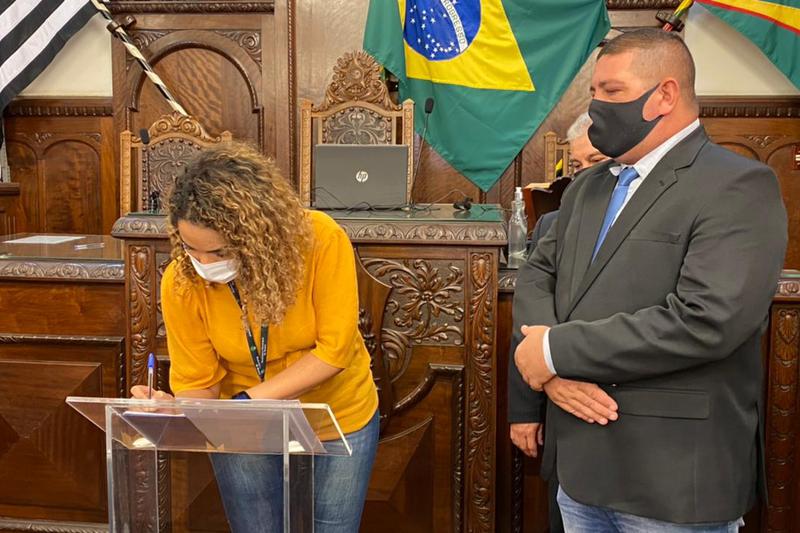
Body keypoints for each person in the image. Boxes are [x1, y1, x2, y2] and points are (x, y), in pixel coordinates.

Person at [509, 28, 787, 532]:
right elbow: (537, 277)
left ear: (665, 95)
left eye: (611, 91)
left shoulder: (737, 185)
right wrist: (550, 372)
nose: (596, 106)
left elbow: (707, 320)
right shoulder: (588, 187)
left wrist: (554, 353)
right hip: (581, 473)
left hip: (672, 480)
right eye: (594, 92)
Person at [131, 142, 379, 533]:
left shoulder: (319, 239)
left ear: (256, 236)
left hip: (336, 416)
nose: (204, 264)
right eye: (191, 249)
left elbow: (334, 352)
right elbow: (199, 381)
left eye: (219, 252)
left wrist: (245, 403)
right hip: (241, 429)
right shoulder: (182, 280)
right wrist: (181, 411)